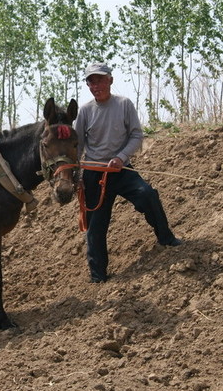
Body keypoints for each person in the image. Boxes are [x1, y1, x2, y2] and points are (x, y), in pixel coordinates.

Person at [75, 63, 182, 284]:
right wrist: (78, 176)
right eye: (91, 81)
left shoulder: (124, 105)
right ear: (88, 85)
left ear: (110, 80)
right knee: (96, 225)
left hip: (120, 169)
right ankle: (98, 276)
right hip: (94, 174)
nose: (96, 86)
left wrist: (121, 157)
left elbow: (136, 136)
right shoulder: (85, 111)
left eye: (100, 80)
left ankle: (166, 238)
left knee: (147, 194)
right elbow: (77, 146)